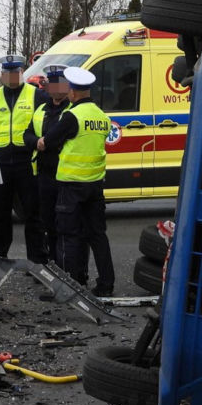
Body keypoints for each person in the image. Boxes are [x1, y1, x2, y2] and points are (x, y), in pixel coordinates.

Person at [39, 66, 115, 296]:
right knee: (97, 235)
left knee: (67, 236)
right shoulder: (102, 117)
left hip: (71, 185)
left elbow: (50, 141)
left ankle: (66, 287)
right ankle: (105, 285)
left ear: (73, 92)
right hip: (95, 185)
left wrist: (42, 141)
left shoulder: (72, 116)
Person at [0, 55, 48, 262]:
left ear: (22, 73)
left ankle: (37, 260)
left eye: (16, 72)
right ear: (2, 75)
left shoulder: (36, 95)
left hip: (26, 161)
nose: (12, 76)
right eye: (8, 73)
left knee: (33, 213)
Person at [23, 64, 70, 263]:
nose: (56, 88)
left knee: (65, 225)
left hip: (65, 174)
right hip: (44, 174)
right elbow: (26, 134)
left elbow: (61, 136)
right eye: (52, 83)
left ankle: (65, 266)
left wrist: (46, 141)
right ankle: (51, 265)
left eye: (60, 83)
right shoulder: (41, 109)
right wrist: (37, 143)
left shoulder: (72, 110)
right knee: (47, 223)